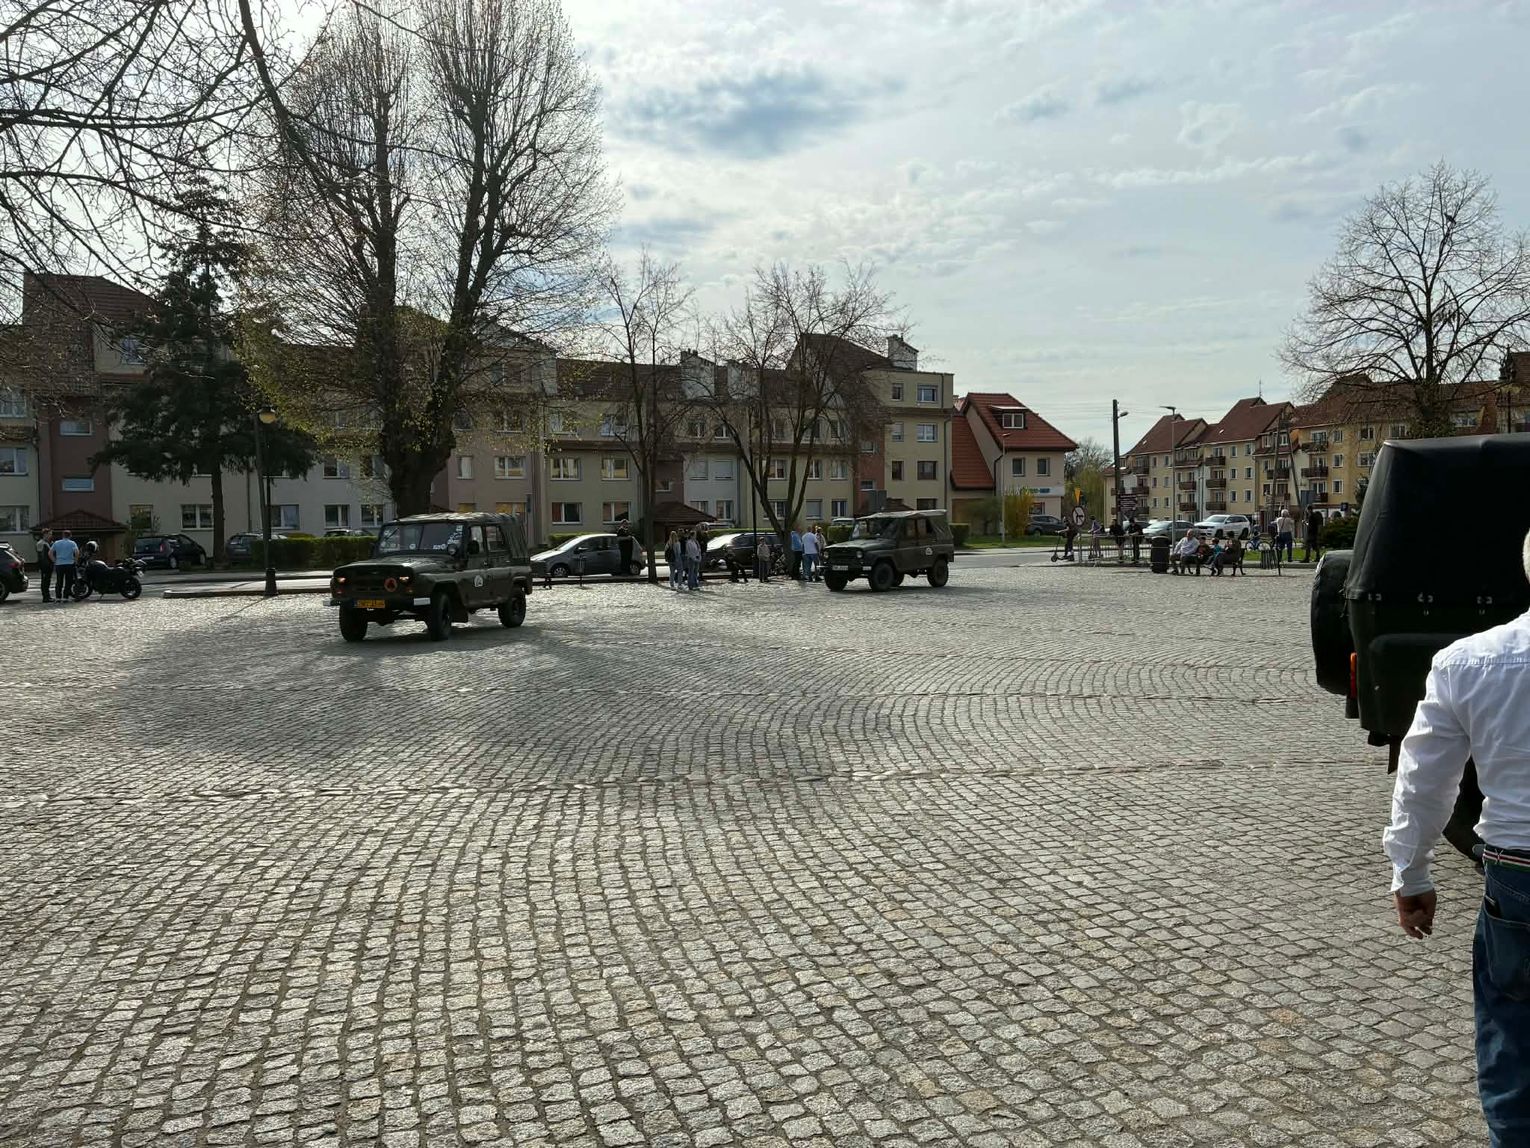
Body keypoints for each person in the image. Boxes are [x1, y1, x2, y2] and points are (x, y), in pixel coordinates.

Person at [1382, 527, 1530, 1146]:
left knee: (1515, 1043)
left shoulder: (1471, 661)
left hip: (1519, 876)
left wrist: (1411, 872)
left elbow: (1423, 780)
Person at [50, 529, 80, 601]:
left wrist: (54, 561)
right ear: (70, 536)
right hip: (69, 563)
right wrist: (75, 561)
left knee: (59, 581)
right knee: (68, 581)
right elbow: (77, 552)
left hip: (59, 564)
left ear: (62, 535)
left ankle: (58, 597)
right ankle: (65, 597)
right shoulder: (72, 543)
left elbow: (50, 553)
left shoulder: (56, 543)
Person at [35, 529, 53, 602]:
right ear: (45, 534)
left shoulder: (46, 543)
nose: (51, 535)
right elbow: (41, 556)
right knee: (45, 581)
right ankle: (45, 597)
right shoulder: (41, 543)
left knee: (47, 581)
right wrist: (43, 566)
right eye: (50, 534)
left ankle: (48, 596)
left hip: (48, 565)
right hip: (45, 566)